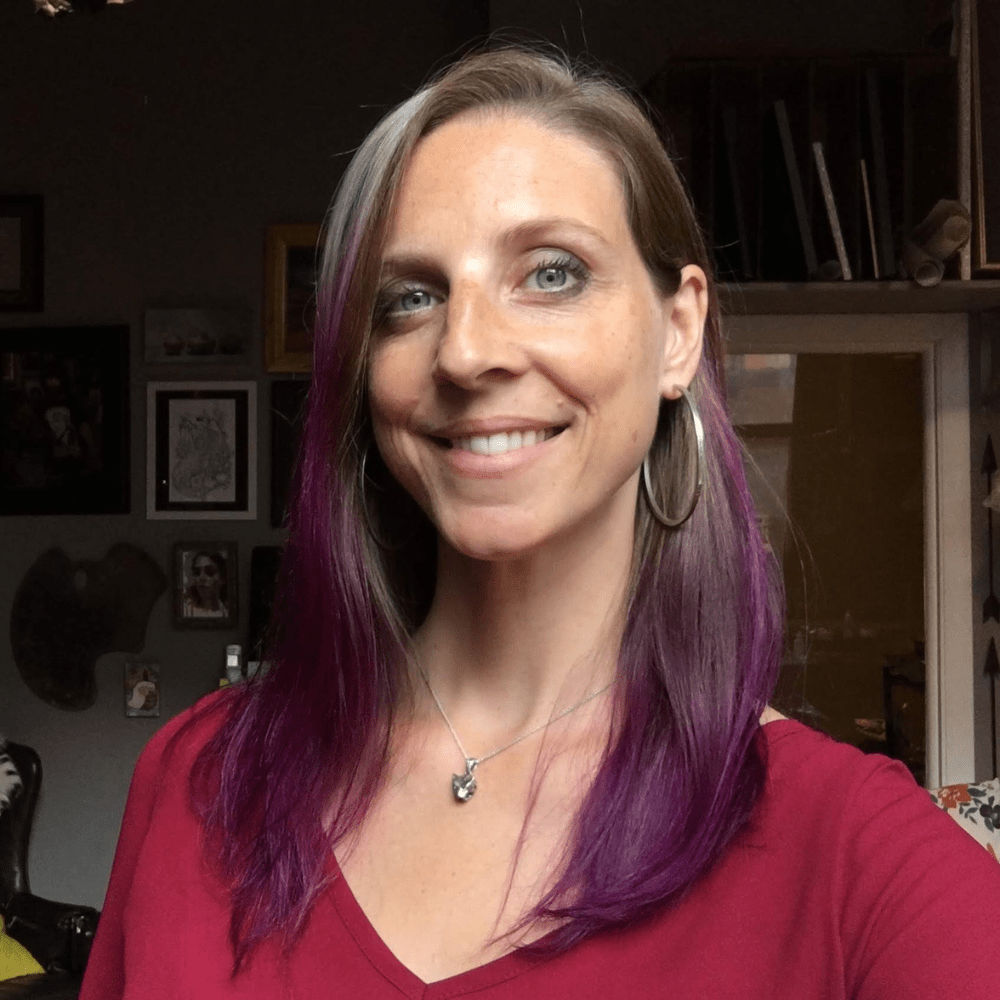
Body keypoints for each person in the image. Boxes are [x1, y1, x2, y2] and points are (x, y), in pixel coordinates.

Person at [81, 47, 1000, 998]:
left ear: (679, 331)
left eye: (552, 273)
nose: (468, 350)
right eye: (412, 298)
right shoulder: (197, 780)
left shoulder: (862, 863)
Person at [181, 549, 228, 618]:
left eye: (209, 571)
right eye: (197, 572)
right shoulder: (185, 611)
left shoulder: (226, 613)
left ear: (221, 578)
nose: (201, 578)